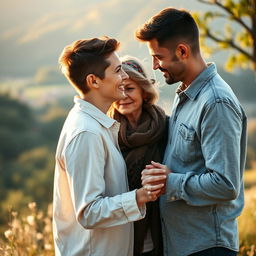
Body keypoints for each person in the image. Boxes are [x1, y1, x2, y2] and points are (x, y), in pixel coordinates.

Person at [136, 7, 247, 256]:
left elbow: (225, 184)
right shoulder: (186, 94)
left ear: (182, 51)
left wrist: (169, 182)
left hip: (207, 247)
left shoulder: (216, 102)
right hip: (184, 245)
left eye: (158, 57)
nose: (154, 65)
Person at [52, 37, 164, 256]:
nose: (124, 76)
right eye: (118, 70)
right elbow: (89, 213)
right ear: (94, 81)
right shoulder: (86, 133)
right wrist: (141, 195)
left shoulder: (97, 125)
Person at [109, 56, 168, 256]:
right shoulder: (107, 134)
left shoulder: (167, 127)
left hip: (162, 233)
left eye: (130, 88)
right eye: (119, 89)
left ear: (144, 91)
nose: (123, 96)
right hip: (119, 238)